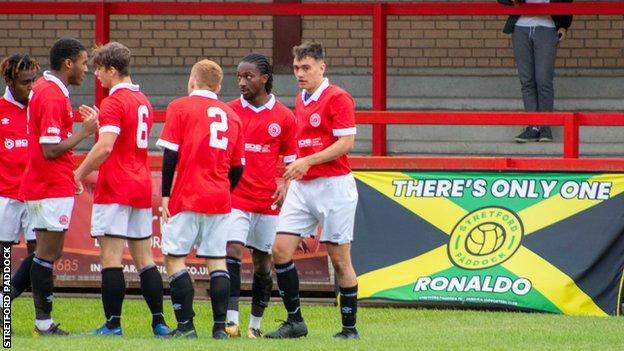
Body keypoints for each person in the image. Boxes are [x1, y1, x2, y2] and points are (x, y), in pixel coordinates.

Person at [74, 42, 171, 337]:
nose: (97, 77)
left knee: (111, 259)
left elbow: (105, 147)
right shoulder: (141, 99)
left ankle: (113, 324)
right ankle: (159, 323)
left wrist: (77, 173)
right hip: (141, 184)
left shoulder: (114, 102)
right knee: (145, 259)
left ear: (112, 70)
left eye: (100, 71)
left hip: (116, 185)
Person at [265, 41, 360, 340]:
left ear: (322, 67)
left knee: (339, 259)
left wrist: (307, 161)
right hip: (304, 187)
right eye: (296, 68)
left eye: (306, 67)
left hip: (334, 186)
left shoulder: (338, 98)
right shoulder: (301, 98)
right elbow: (299, 145)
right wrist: (291, 178)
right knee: (279, 251)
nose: (300, 73)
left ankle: (349, 329)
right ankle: (295, 321)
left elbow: (346, 144)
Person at [157, 59, 245, 339]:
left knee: (174, 258)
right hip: (219, 197)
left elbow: (170, 154)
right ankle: (220, 328)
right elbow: (238, 167)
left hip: (188, 194)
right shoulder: (232, 115)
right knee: (217, 260)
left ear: (192, 81)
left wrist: (166, 195)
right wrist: (223, 189)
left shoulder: (180, 107)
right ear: (219, 86)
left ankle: (186, 327)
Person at [20, 37, 99, 336]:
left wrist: (70, 176)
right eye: (83, 62)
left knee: (45, 253)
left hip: (50, 182)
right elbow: (50, 149)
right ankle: (43, 324)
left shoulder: (45, 88)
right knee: (46, 255)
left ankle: (11, 305)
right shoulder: (52, 95)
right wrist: (85, 132)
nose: (85, 69)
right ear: (68, 63)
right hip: (47, 185)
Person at [223, 53, 297, 339]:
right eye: (239, 76)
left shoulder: (284, 117)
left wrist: (286, 186)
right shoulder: (229, 112)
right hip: (235, 196)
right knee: (232, 250)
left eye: (248, 76)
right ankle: (231, 321)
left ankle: (254, 324)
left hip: (267, 201)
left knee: (263, 262)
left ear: (264, 78)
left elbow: (292, 163)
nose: (242, 82)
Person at [498, 0, 573, 142]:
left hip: (547, 26)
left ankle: (545, 127)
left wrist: (564, 25)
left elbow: (566, 1)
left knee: (543, 79)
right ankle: (533, 126)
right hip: (520, 27)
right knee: (526, 80)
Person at [0, 54, 39, 300]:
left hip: (36, 195)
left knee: (41, 254)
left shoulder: (39, 107)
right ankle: (5, 314)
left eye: (33, 80)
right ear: (9, 81)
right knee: (5, 255)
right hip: (6, 194)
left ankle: (41, 320)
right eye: (25, 82)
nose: (31, 87)